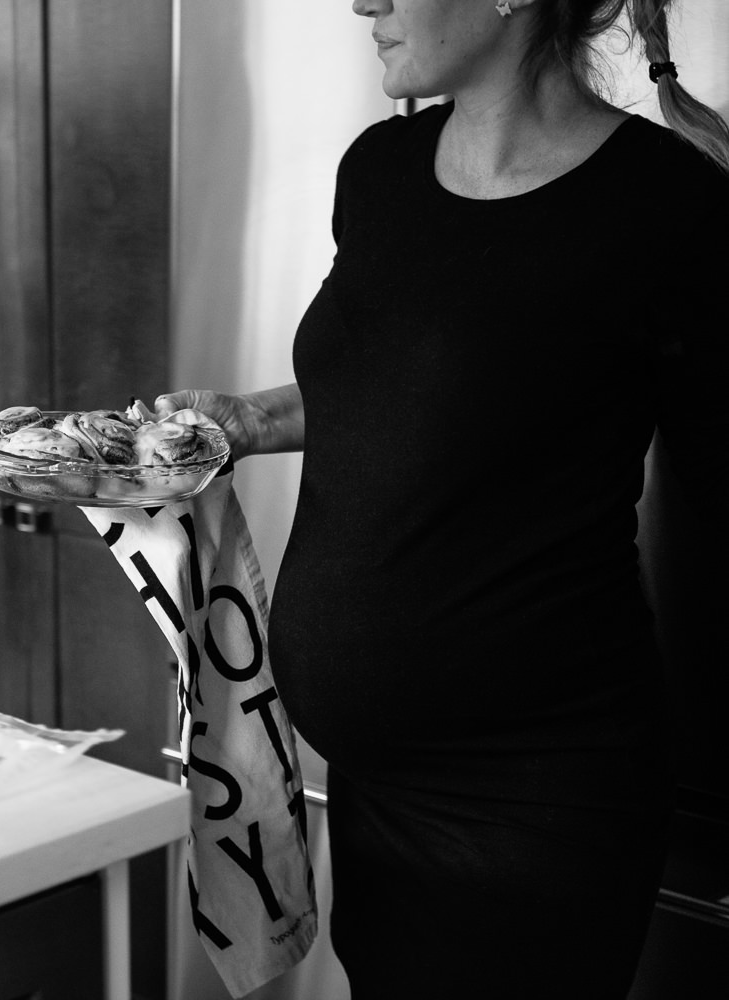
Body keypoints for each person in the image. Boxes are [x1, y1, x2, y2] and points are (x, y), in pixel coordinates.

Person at [156, 0, 729, 995]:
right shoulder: (380, 173)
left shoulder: (666, 205)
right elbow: (398, 392)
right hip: (377, 792)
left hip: (540, 802)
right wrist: (243, 424)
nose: (362, 1)